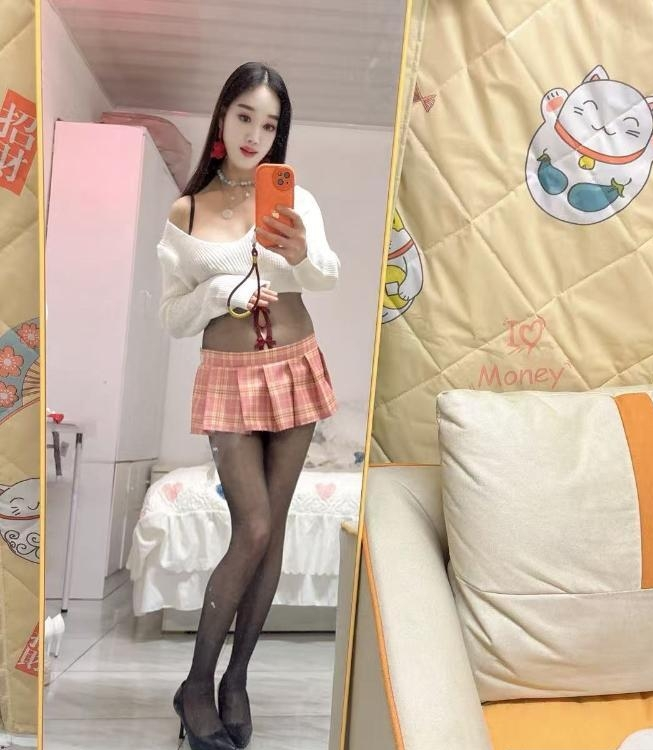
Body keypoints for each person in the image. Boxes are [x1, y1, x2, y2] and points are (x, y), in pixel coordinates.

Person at [156, 61, 339, 750]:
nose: (255, 134)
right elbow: (173, 316)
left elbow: (326, 276)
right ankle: (196, 683)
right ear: (223, 115)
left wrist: (303, 253)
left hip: (296, 366)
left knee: (276, 529)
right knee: (254, 528)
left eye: (270, 123)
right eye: (244, 116)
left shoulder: (295, 199)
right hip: (229, 375)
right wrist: (220, 294)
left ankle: (236, 681)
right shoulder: (187, 211)